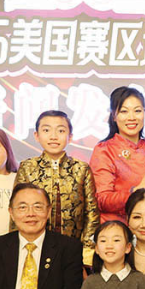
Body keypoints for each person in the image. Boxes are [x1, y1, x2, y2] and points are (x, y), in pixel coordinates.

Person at [15, 110, 99, 262]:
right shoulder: (27, 167)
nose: (53, 136)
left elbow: (91, 212)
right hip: (35, 248)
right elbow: (17, 208)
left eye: (60, 131)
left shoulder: (81, 169)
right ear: (36, 136)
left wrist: (87, 251)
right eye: (46, 130)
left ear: (70, 136)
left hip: (73, 249)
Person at [90, 86, 145, 223]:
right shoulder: (105, 150)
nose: (131, 117)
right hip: (117, 229)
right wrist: (136, 192)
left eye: (137, 111)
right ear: (114, 116)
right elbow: (101, 199)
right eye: (124, 111)